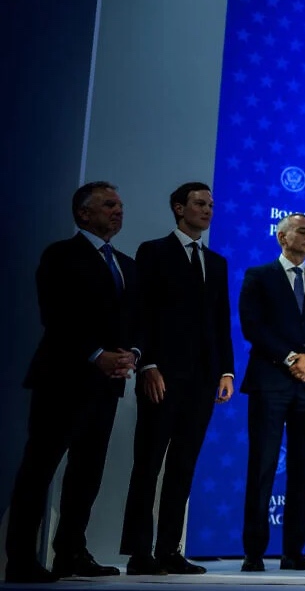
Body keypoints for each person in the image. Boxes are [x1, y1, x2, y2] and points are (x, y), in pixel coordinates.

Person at [5, 181, 139, 583]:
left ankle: (70, 553)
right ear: (83, 213)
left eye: (120, 204)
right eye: (109, 204)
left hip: (107, 387)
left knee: (87, 473)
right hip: (62, 381)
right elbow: (57, 317)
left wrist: (132, 355)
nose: (118, 210)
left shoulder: (127, 265)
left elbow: (137, 322)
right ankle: (21, 560)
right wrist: (96, 355)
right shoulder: (61, 256)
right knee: (39, 470)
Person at [119, 182, 235, 575]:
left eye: (211, 205)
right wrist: (147, 364)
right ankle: (140, 554)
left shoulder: (216, 262)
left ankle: (170, 550)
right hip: (162, 377)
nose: (208, 210)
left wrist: (227, 371)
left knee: (183, 465)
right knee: (148, 464)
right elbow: (141, 313)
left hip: (203, 382)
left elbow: (221, 323)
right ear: (178, 208)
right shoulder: (153, 251)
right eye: (200, 204)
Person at [237, 213, 305, 572]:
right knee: (263, 467)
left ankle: (293, 552)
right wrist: (291, 357)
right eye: (302, 230)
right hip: (270, 383)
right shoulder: (259, 276)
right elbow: (253, 326)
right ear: (282, 237)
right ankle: (254, 552)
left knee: (303, 471)